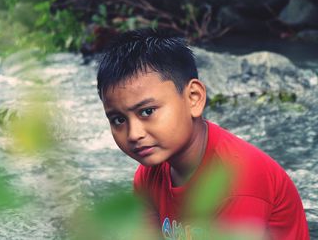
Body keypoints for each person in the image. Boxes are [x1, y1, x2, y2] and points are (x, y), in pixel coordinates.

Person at [96, 28, 310, 240]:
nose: (133, 134)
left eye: (147, 111)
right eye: (118, 120)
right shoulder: (148, 176)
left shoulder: (239, 181)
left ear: (194, 98)